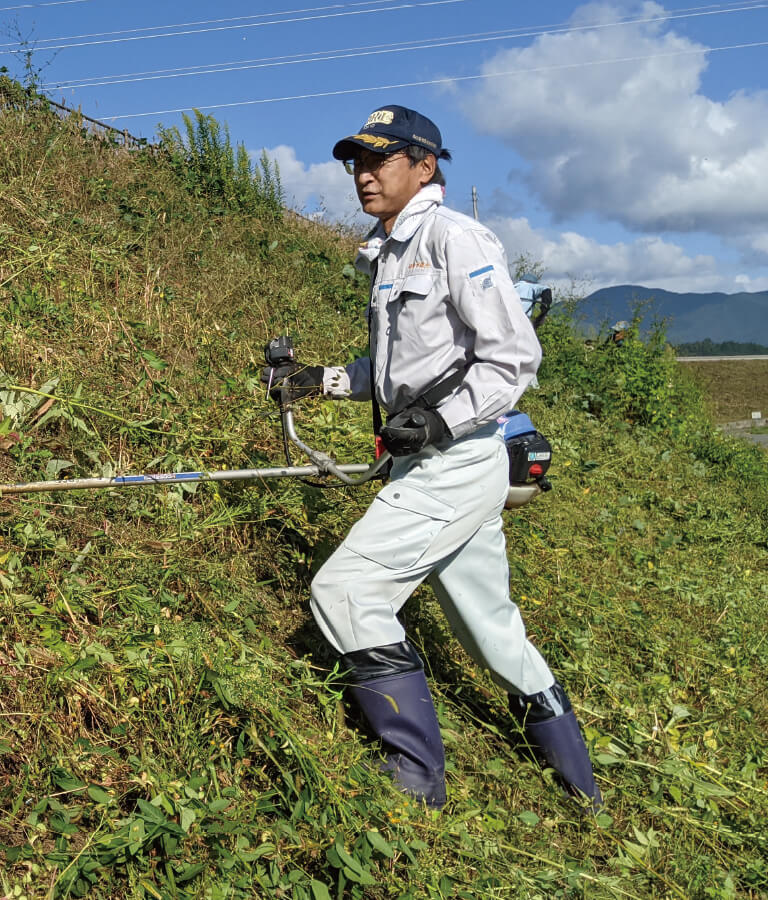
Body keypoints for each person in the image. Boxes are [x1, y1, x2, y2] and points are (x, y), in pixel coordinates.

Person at [269, 105, 601, 810]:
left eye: (379, 160)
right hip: (433, 459)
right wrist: (321, 381)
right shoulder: (387, 252)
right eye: (356, 162)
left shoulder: (456, 238)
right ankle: (584, 794)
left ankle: (414, 785)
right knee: (492, 630)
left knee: (346, 592)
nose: (363, 174)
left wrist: (439, 423)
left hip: (461, 458)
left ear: (425, 166)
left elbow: (513, 359)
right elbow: (398, 369)